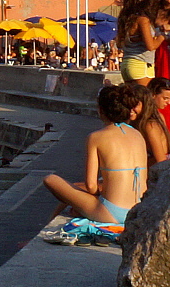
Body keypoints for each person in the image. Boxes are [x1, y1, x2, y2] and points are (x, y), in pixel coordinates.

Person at [44, 84, 150, 224]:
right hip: (138, 210)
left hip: (111, 213)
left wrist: (88, 201)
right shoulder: (138, 135)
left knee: (50, 179)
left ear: (101, 111)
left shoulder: (95, 137)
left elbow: (91, 186)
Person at [116, 0, 163, 83]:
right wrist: (162, 36)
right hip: (141, 65)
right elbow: (150, 46)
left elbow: (119, 43)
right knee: (144, 98)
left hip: (127, 63)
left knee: (132, 98)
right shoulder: (142, 20)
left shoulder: (125, 18)